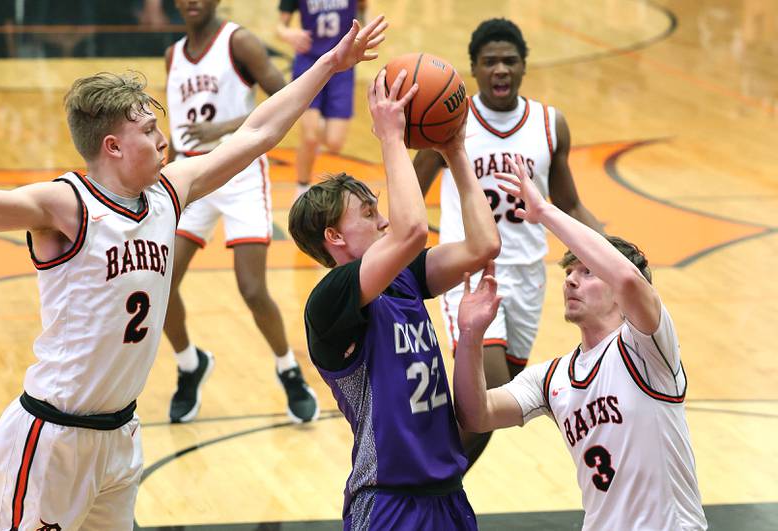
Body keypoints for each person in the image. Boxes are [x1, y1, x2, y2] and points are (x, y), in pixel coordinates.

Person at [0, 16, 386, 530]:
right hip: (53, 436)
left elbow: (259, 132)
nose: (163, 139)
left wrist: (330, 64)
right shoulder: (66, 204)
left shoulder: (169, 192)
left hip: (120, 434)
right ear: (112, 146)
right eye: (149, 131)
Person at [288, 67, 500, 529]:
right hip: (388, 502)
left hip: (447, 494)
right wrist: (389, 136)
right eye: (369, 213)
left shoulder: (403, 278)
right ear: (334, 237)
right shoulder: (330, 300)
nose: (383, 221)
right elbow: (413, 229)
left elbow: (482, 245)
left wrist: (456, 151)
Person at [453, 157, 708, 530]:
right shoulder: (552, 377)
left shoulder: (648, 348)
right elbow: (478, 415)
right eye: (569, 272)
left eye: (587, 272)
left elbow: (629, 280)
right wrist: (471, 337)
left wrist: (545, 212)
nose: (571, 281)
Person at [413, 17, 604, 468]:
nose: (500, 69)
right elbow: (409, 198)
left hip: (527, 275)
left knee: (489, 407)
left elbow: (570, 204)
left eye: (510, 61)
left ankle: (429, 478)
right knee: (491, 394)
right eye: (490, 61)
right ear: (474, 69)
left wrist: (614, 251)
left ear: (523, 66)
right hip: (468, 271)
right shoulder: (447, 120)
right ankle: (424, 492)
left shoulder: (549, 124)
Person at [164, 0, 317, 424]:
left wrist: (224, 127)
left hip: (239, 172)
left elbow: (286, 99)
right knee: (159, 283)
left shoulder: (239, 41)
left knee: (251, 289)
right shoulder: (173, 54)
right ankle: (189, 364)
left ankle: (289, 370)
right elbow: (178, 125)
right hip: (190, 177)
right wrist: (167, 179)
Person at [277, 0, 366, 194]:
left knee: (335, 143)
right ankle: (301, 190)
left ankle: (319, 125)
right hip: (308, 62)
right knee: (309, 138)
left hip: (343, 65)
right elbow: (279, 28)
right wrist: (287, 33)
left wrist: (362, 29)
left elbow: (363, 9)